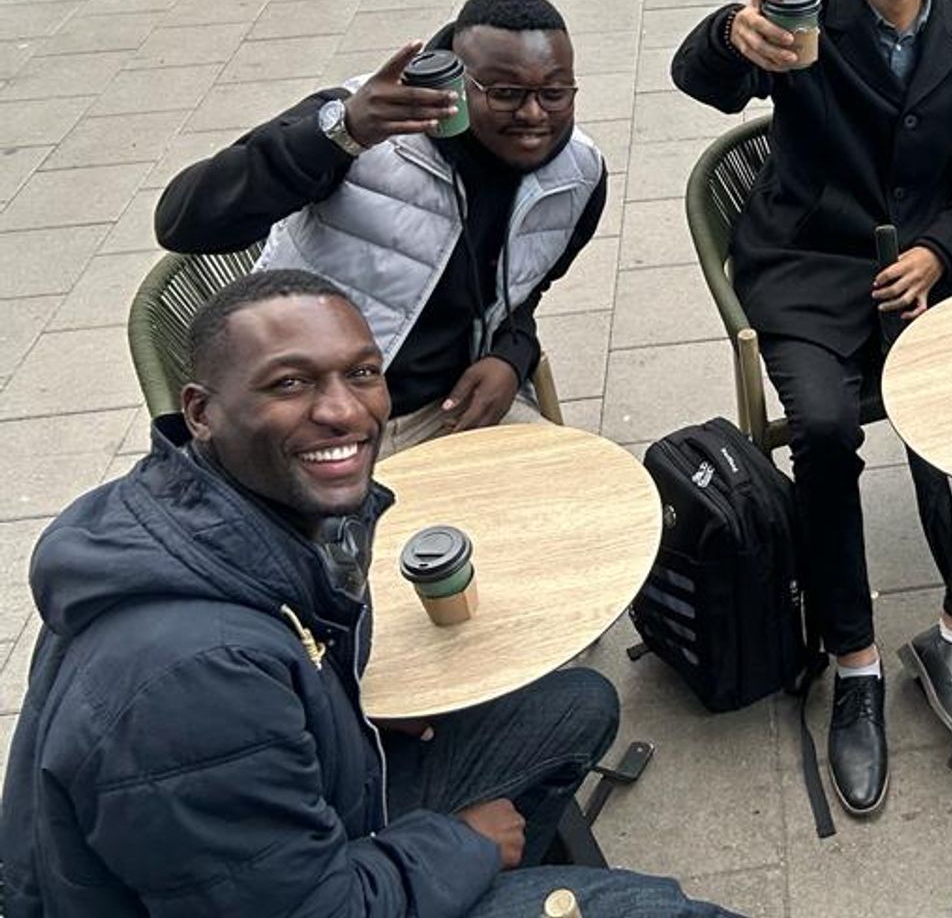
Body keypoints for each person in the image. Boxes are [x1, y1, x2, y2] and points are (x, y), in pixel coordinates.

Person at [0, 270, 729, 918]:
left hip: (303, 834)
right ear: (200, 411)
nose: (345, 411)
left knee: (577, 705)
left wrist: (339, 713)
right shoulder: (192, 678)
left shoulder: (212, 511)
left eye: (363, 372)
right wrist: (464, 846)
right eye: (290, 383)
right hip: (314, 890)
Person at [672, 0, 952, 818]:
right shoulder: (800, 11)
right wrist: (728, 33)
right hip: (805, 273)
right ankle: (856, 663)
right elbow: (699, 77)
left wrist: (940, 251)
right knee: (826, 432)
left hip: (921, 275)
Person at [155, 0, 606, 451]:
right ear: (452, 78)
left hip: (449, 413)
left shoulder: (578, 174)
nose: (534, 114)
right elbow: (185, 222)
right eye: (506, 93)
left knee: (587, 508)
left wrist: (511, 355)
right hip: (311, 413)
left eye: (554, 92)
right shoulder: (362, 121)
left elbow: (526, 290)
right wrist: (338, 136)